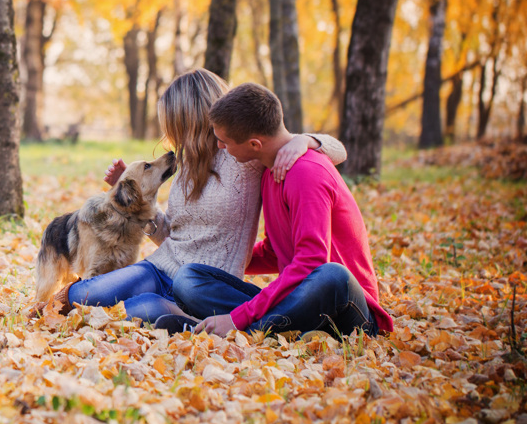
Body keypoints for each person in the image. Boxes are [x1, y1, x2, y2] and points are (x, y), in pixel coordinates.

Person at [62, 68, 347, 322]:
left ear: (190, 119)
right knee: (85, 294)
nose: (170, 133)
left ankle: (185, 318)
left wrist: (304, 141)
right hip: (161, 267)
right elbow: (173, 234)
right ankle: (46, 314)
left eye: (174, 123)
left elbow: (335, 150)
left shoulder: (244, 155)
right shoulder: (186, 164)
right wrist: (138, 202)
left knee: (136, 310)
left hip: (201, 285)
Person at [161, 82, 394, 338]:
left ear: (254, 144)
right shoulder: (270, 171)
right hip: (299, 302)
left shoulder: (307, 174)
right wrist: (224, 257)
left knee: (333, 275)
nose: (220, 147)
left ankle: (244, 333)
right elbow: (275, 252)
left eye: (224, 142)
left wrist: (239, 317)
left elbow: (310, 263)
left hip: (350, 312)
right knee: (190, 278)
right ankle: (273, 331)